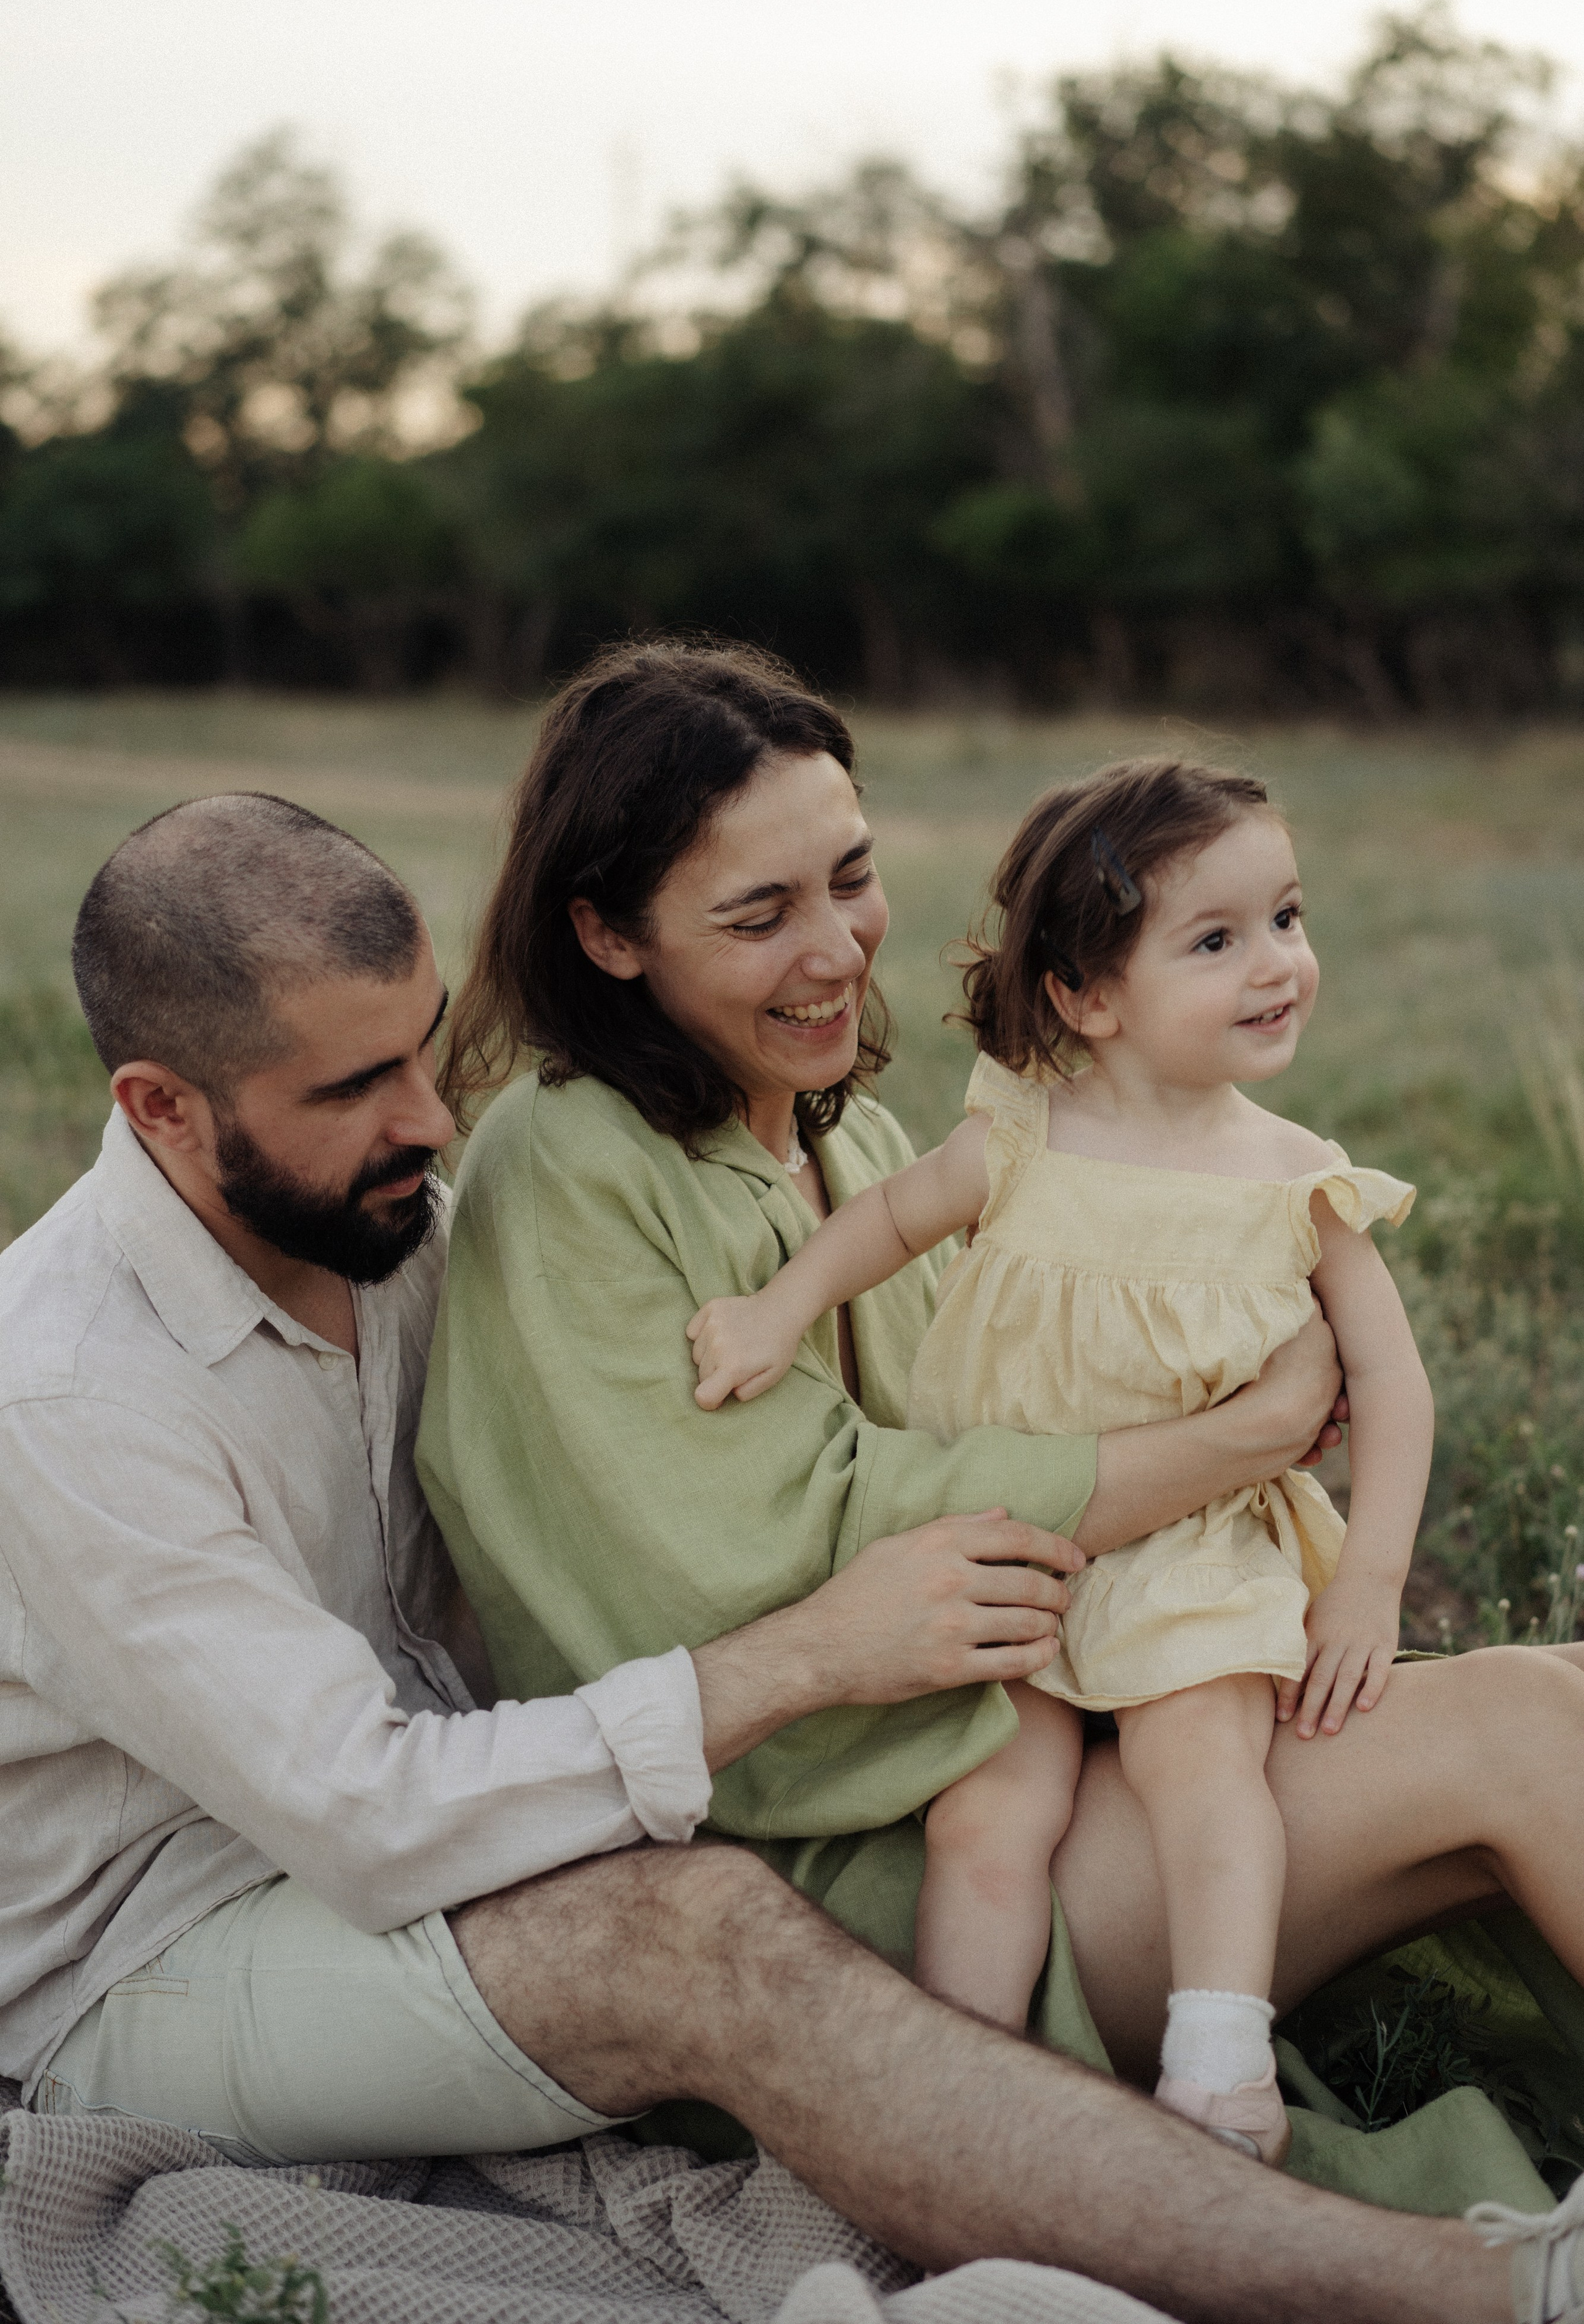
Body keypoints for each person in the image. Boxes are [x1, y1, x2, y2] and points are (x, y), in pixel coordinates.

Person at [1, 782, 1582, 2324]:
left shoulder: (396, 1222)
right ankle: (1487, 2289)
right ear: (160, 1109)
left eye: (424, 1048)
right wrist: (813, 1653)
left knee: (1541, 1700)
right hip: (171, 1948)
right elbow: (366, 1815)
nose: (428, 1117)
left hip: (558, 1813)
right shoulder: (72, 1397)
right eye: (352, 1087)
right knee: (701, 1930)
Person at [418, 638, 1584, 2218]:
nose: (835, 948)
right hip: (838, 1893)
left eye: (851, 877)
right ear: (606, 935)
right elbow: (768, 1553)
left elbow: (1020, 1417)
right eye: (758, 916)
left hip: (1042, 1732)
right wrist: (1232, 1444)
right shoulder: (564, 1161)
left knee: (1558, 1697)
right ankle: (975, 2145)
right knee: (1522, 1725)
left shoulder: (872, 1143)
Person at [686, 756, 1439, 2166]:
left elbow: (1392, 1388)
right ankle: (956, 2093)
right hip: (1011, 1544)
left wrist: (1369, 1581)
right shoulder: (1018, 1138)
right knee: (989, 1813)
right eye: (1214, 941)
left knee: (1201, 1773)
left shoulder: (1293, 1179)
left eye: (1283, 917)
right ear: (1085, 998)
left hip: (1193, 1548)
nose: (1276, 963)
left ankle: (1217, 2069)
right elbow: (889, 1223)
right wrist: (779, 1309)